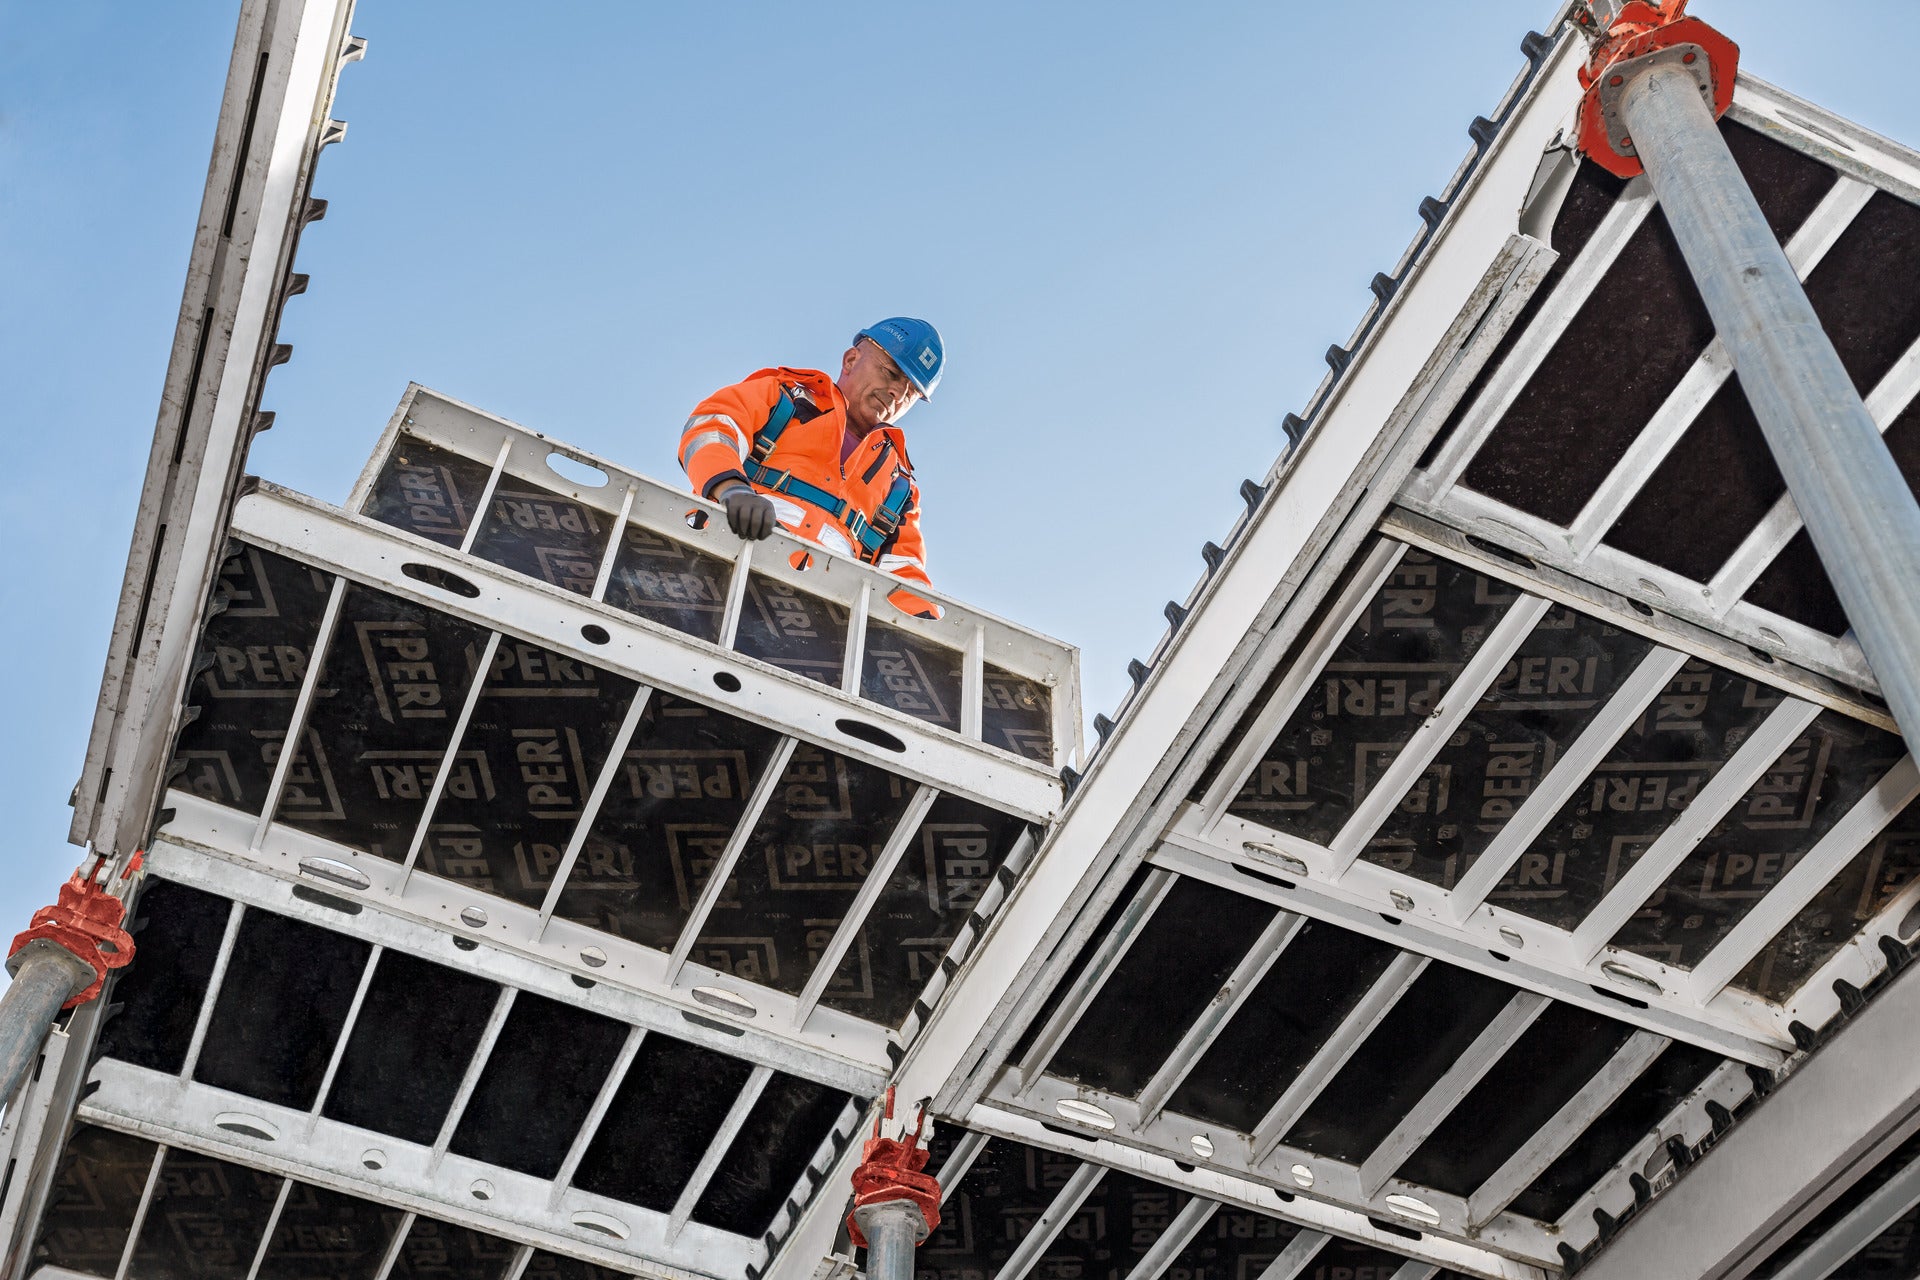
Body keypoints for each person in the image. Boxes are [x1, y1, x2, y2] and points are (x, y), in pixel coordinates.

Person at [677, 318, 944, 615]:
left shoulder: (899, 486)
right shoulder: (782, 397)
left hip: (815, 622)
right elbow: (712, 429)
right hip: (716, 572)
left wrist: (935, 637)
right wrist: (732, 489)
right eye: (891, 373)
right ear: (851, 359)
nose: (896, 393)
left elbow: (905, 575)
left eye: (910, 393)